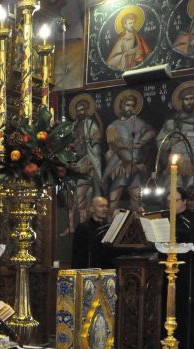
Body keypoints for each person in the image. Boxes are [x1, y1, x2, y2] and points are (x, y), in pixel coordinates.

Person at [168, 188, 194, 349]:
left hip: (190, 272)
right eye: (169, 201)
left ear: (184, 201)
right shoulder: (165, 219)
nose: (171, 204)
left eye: (175, 200)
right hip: (168, 271)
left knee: (187, 313)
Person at [102, 90, 157, 211]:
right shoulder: (113, 126)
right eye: (127, 105)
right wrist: (128, 162)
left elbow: (151, 132)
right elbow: (117, 146)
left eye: (132, 105)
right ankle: (111, 225)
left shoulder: (137, 122)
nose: (130, 108)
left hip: (135, 165)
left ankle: (135, 224)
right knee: (114, 197)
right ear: (121, 106)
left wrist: (141, 142)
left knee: (137, 197)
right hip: (119, 164)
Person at [157, 82, 194, 194]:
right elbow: (160, 142)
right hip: (175, 162)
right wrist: (170, 142)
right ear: (181, 101)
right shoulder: (172, 122)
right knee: (173, 190)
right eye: (186, 99)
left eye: (191, 98)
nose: (189, 102)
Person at [69, 94, 104, 226]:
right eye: (77, 110)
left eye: (82, 110)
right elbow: (69, 143)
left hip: (87, 162)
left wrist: (92, 142)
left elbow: (95, 141)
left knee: (82, 194)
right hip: (75, 164)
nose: (79, 112)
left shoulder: (90, 124)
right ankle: (84, 224)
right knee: (83, 196)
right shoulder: (73, 126)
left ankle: (85, 224)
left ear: (86, 110)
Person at [71, 196, 112, 269]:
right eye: (101, 206)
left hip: (107, 269)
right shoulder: (83, 228)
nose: (105, 209)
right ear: (92, 209)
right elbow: (78, 254)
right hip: (89, 270)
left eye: (106, 206)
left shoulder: (109, 228)